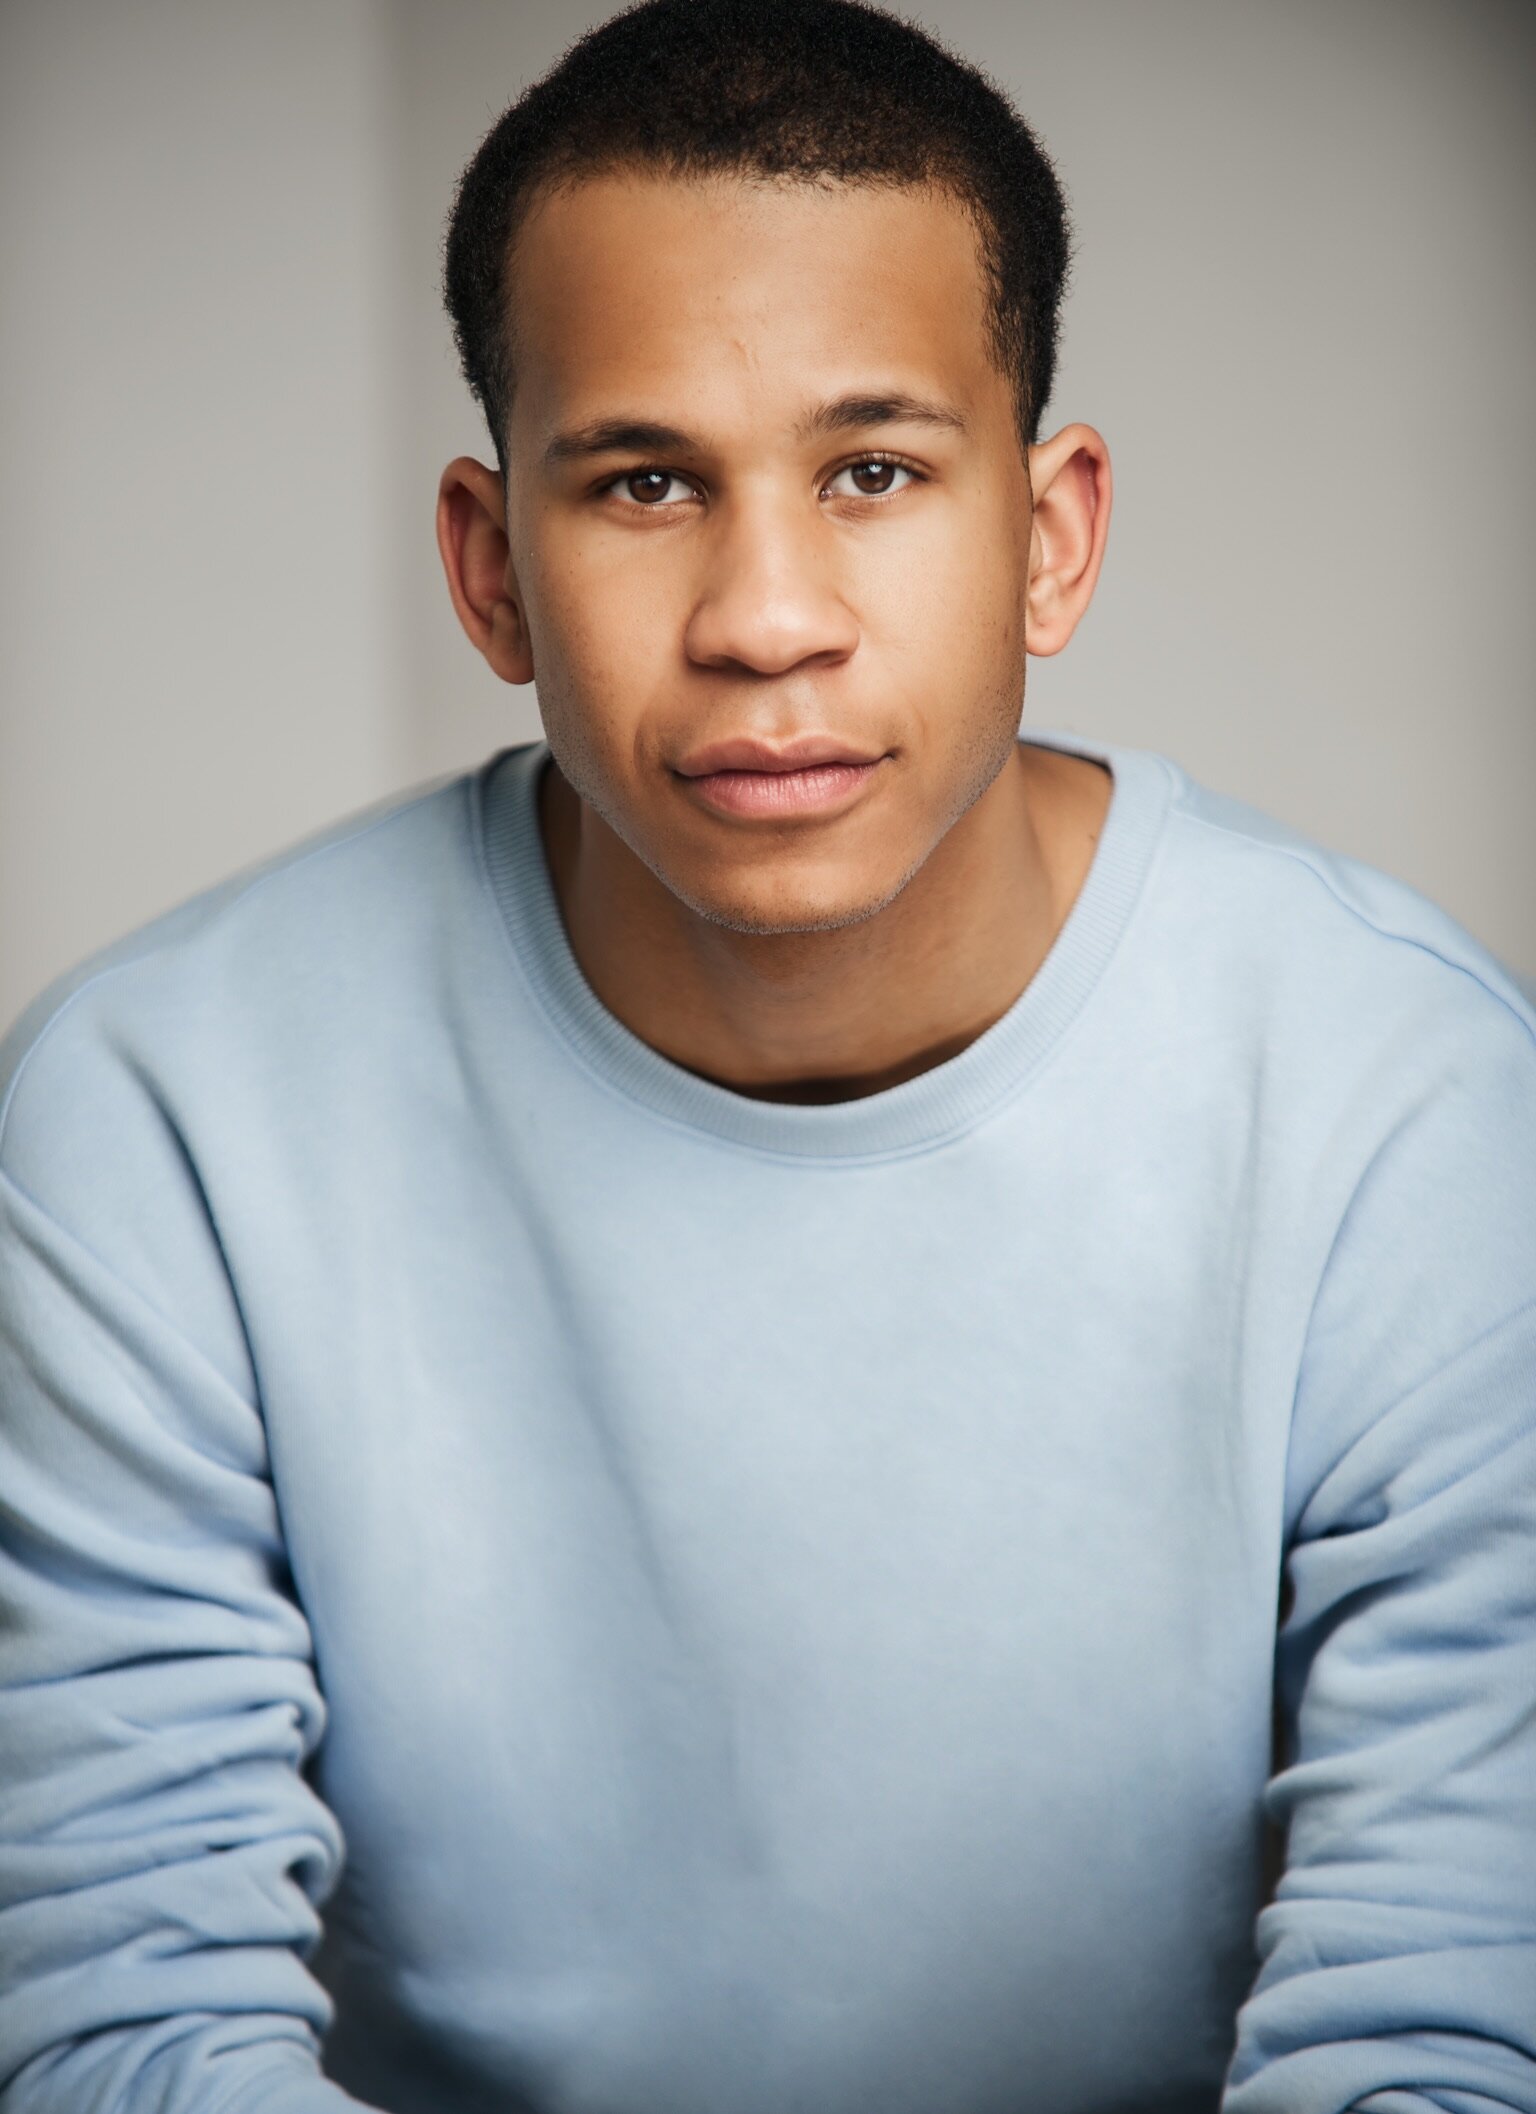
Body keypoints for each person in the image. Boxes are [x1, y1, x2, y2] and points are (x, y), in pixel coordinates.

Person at [1, 0, 1532, 2108]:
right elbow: (126, 2038)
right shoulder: (154, 1118)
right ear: (491, 570)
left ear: (1051, 537)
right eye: (646, 483)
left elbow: (1445, 2042)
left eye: (874, 471)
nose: (766, 617)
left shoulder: (1421, 1113)